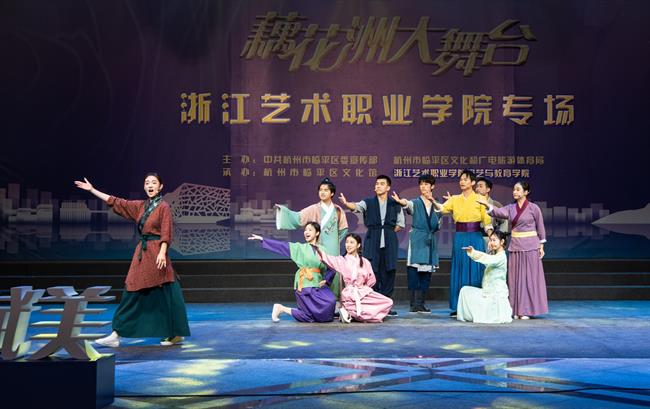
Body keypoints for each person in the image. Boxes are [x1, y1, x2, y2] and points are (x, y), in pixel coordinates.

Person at [74, 174, 190, 347]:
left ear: (160, 187)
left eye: (154, 183)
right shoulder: (140, 206)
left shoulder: (163, 207)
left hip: (157, 252)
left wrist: (162, 252)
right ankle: (117, 333)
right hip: (143, 253)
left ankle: (176, 334)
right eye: (147, 183)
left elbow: (166, 231)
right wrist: (92, 190)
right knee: (132, 289)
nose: (150, 185)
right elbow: (117, 202)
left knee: (167, 292)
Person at [478, 181, 548, 319]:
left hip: (531, 247)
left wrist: (541, 246)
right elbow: (498, 212)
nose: (514, 192)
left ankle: (527, 310)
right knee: (515, 278)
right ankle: (516, 309)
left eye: (518, 189)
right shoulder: (511, 208)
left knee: (529, 278)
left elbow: (540, 227)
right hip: (516, 246)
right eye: (514, 189)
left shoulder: (534, 208)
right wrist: (487, 205)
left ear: (526, 192)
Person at [275, 178, 348, 308]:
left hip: (333, 248)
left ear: (332, 193)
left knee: (335, 273)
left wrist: (334, 242)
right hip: (318, 248)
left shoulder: (338, 210)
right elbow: (298, 217)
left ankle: (336, 303)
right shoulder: (313, 209)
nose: (322, 192)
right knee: (318, 274)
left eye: (326, 190)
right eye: (321, 190)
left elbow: (343, 229)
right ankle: (319, 304)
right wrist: (284, 211)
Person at [338, 175, 404, 316]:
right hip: (372, 238)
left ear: (388, 187)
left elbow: (400, 224)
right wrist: (347, 203)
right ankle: (373, 304)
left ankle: (386, 305)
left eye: (382, 184)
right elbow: (356, 207)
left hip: (389, 240)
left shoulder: (395, 203)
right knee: (372, 271)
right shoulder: (368, 202)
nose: (378, 186)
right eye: (377, 184)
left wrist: (387, 231)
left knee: (389, 271)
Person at [248, 222, 336, 323]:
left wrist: (326, 279)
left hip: (317, 284)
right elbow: (282, 246)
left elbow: (332, 267)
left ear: (317, 233)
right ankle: (281, 308)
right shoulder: (299, 248)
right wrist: (263, 240)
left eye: (310, 230)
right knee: (309, 316)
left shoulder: (323, 250)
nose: (306, 232)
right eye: (305, 230)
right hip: (304, 283)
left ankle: (281, 308)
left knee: (328, 305)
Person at [433, 169, 493, 317]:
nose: (462, 182)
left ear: (473, 182)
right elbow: (442, 209)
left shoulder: (480, 198)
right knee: (459, 268)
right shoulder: (454, 199)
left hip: (475, 237)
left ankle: (476, 305)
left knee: (475, 269)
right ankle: (458, 306)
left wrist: (491, 237)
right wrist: (433, 201)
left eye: (465, 179)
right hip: (460, 237)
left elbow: (487, 222)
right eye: (461, 179)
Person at [315, 234, 393, 323]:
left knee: (388, 302)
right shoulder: (342, 260)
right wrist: (317, 249)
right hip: (350, 294)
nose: (348, 245)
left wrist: (363, 289)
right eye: (347, 242)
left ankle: (352, 314)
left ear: (358, 245)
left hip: (363, 292)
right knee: (362, 309)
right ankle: (352, 312)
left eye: (351, 242)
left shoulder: (365, 262)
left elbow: (371, 280)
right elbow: (328, 259)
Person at [391, 175, 440, 313]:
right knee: (414, 270)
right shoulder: (416, 202)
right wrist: (401, 201)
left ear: (432, 186)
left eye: (426, 184)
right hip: (417, 238)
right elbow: (407, 204)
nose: (423, 187)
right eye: (421, 184)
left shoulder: (436, 204)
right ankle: (414, 303)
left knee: (427, 272)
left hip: (430, 240)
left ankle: (421, 303)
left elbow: (439, 219)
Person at [457, 230, 513, 324]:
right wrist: (489, 251)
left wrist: (473, 252)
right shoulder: (494, 255)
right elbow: (488, 258)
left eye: (494, 240)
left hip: (495, 295)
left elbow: (487, 259)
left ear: (502, 242)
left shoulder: (501, 257)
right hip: (487, 292)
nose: (491, 243)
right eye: (490, 240)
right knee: (464, 291)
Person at [475, 177, 509, 247]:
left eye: (480, 186)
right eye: (477, 186)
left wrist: (499, 237)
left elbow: (504, 221)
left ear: (488, 189)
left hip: (490, 240)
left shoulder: (495, 204)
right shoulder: (472, 204)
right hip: (475, 239)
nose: (477, 189)